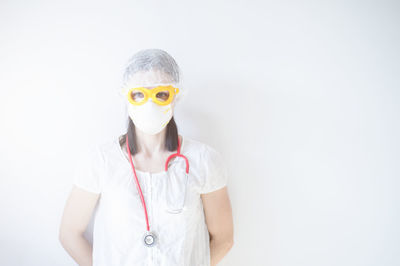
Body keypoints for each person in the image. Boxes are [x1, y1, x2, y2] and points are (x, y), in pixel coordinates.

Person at [59, 48, 234, 266]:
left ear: (175, 96)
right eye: (139, 94)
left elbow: (224, 238)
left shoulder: (204, 160)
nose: (149, 103)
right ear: (126, 96)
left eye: (161, 94)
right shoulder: (101, 161)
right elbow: (69, 232)